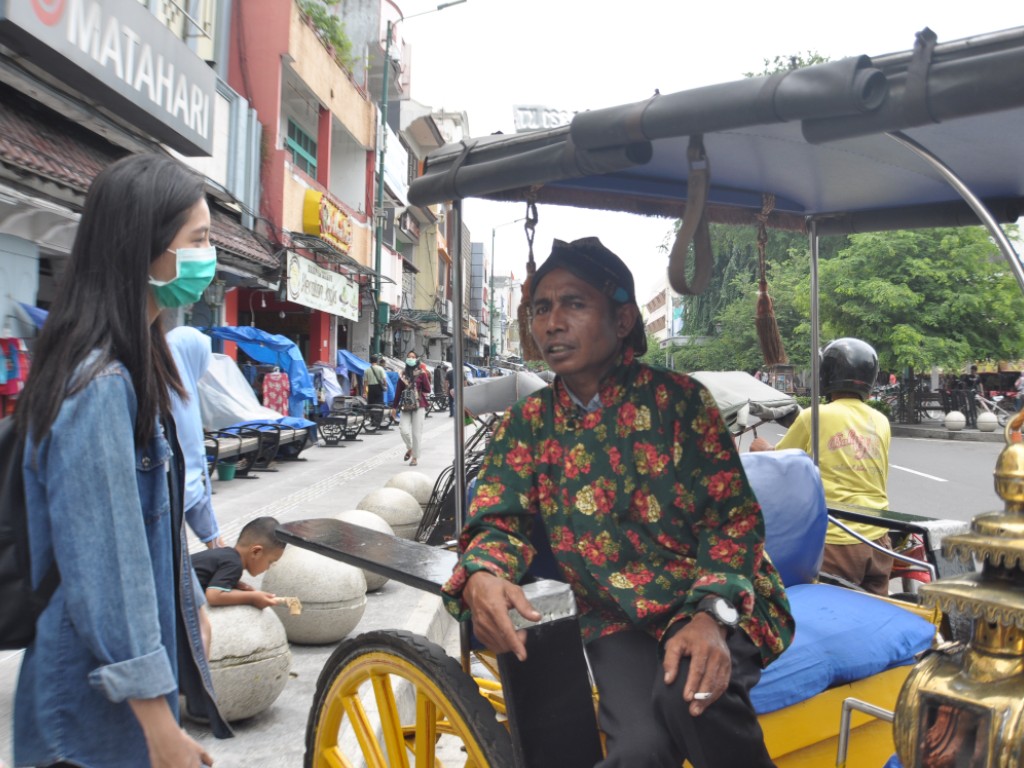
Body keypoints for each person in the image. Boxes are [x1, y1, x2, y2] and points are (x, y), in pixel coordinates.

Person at [442, 237, 793, 768]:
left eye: (574, 304)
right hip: (615, 616)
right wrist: (485, 573)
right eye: (541, 308)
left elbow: (733, 524)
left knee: (690, 700)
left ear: (624, 318)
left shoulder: (681, 403)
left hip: (715, 598)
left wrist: (711, 617)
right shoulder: (527, 424)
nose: (552, 323)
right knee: (638, 750)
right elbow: (498, 521)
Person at [14, 153, 229, 768]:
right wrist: (159, 724)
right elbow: (108, 564)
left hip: (114, 707)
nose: (207, 258)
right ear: (150, 250)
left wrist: (189, 600)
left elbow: (148, 521)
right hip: (85, 721)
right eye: (199, 241)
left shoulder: (138, 364)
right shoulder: (99, 384)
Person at [750, 338, 893, 595]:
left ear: (826, 376)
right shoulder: (881, 421)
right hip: (880, 540)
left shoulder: (814, 415)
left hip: (838, 540)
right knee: (874, 617)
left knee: (822, 612)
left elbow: (780, 466)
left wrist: (763, 449)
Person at [167, 325, 222, 657]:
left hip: (163, 507)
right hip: (165, 513)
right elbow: (193, 467)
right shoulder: (179, 392)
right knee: (197, 621)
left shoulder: (163, 376)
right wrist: (213, 536)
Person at [191, 517, 285, 609]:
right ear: (256, 552)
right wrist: (252, 597)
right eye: (270, 562)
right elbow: (213, 596)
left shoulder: (227, 554)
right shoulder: (235, 565)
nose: (268, 568)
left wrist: (235, 583)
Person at [392, 350, 431, 466]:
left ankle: (415, 458)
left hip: (419, 405)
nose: (410, 359)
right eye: (409, 357)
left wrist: (417, 391)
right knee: (403, 429)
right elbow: (398, 392)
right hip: (406, 405)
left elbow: (428, 389)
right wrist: (394, 407)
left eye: (413, 357)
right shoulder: (402, 374)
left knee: (416, 433)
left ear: (416, 359)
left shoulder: (422, 373)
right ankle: (410, 448)